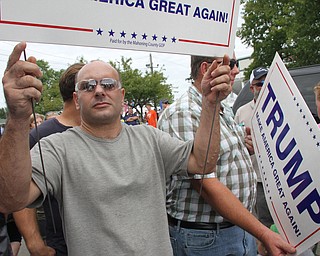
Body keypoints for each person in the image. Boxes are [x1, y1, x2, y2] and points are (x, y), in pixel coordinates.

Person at [0, 42, 233, 255]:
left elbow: (202, 162)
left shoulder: (150, 138)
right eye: (88, 86)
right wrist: (18, 118)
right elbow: (10, 200)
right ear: (77, 99)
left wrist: (210, 103)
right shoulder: (57, 148)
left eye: (108, 84)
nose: (99, 90)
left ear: (121, 96)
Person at [158, 55, 296, 256]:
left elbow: (221, 158)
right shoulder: (183, 112)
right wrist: (262, 232)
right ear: (207, 69)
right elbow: (205, 183)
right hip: (206, 240)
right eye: (231, 64)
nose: (237, 71)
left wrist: (243, 147)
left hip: (236, 229)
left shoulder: (223, 106)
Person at [13, 62, 85, 256]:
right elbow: (20, 195)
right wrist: (34, 242)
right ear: (77, 94)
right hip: (63, 245)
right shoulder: (40, 136)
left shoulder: (101, 132)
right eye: (91, 85)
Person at [234, 66, 273, 231]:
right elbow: (234, 144)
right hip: (256, 180)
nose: (263, 87)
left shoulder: (282, 108)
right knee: (263, 226)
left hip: (280, 181)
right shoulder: (241, 113)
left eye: (267, 83)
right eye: (259, 84)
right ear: (251, 88)